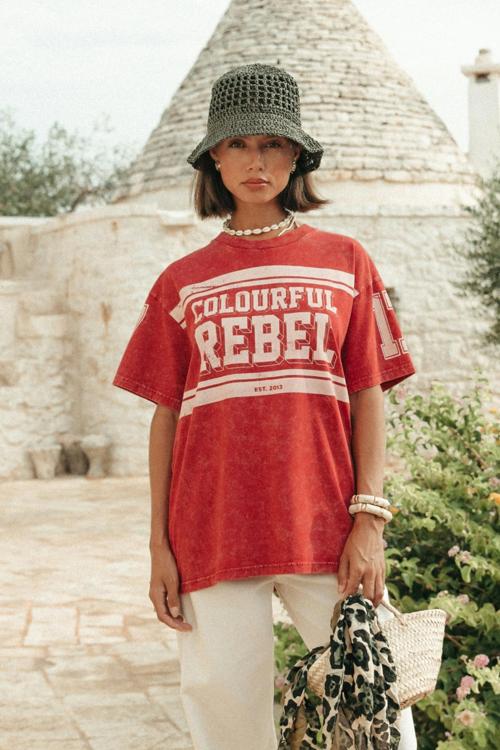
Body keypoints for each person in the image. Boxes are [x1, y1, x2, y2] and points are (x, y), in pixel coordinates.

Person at [112, 63, 419, 750]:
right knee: (227, 723)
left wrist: (369, 520)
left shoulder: (346, 262)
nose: (257, 162)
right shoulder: (181, 282)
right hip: (212, 529)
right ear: (215, 158)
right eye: (240, 145)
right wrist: (159, 546)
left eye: (273, 144)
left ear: (297, 156)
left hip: (328, 527)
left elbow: (368, 391)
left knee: (381, 704)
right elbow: (167, 417)